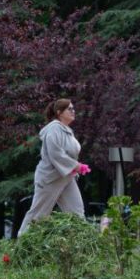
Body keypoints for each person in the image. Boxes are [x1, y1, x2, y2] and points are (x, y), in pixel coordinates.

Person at [18, 99, 88, 235]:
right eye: (69, 109)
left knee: (77, 213)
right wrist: (76, 165)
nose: (73, 111)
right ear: (59, 112)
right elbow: (55, 153)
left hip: (67, 177)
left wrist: (75, 167)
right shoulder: (54, 128)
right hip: (50, 178)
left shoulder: (67, 130)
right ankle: (21, 246)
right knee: (38, 214)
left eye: (73, 108)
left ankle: (82, 247)